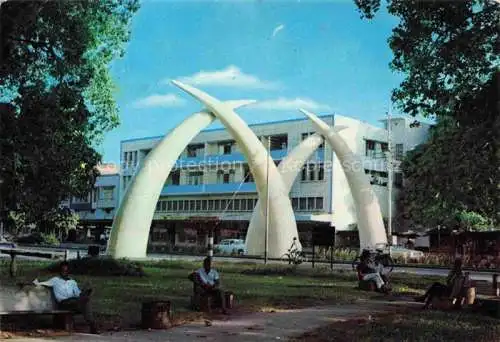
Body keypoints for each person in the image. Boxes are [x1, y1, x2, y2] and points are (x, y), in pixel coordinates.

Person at [34, 261, 98, 334]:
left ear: (68, 271)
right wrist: (36, 280)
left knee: (84, 301)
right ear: (60, 271)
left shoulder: (72, 282)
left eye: (66, 270)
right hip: (63, 303)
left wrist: (84, 292)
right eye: (63, 270)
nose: (64, 272)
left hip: (74, 302)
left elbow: (78, 294)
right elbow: (40, 283)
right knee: (85, 302)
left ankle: (92, 325)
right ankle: (92, 325)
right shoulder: (55, 280)